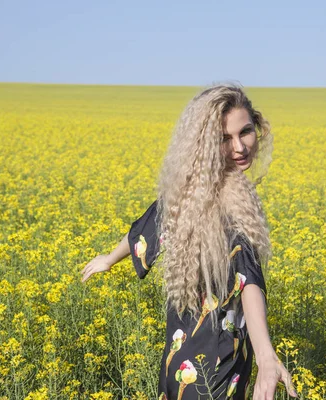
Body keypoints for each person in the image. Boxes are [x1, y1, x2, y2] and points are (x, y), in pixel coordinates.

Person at [81, 83, 297, 400]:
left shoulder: (190, 193)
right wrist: (266, 356)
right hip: (213, 365)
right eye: (224, 138)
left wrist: (111, 257)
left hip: (181, 356)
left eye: (245, 132)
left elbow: (151, 225)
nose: (240, 147)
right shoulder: (230, 206)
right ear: (205, 143)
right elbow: (248, 279)